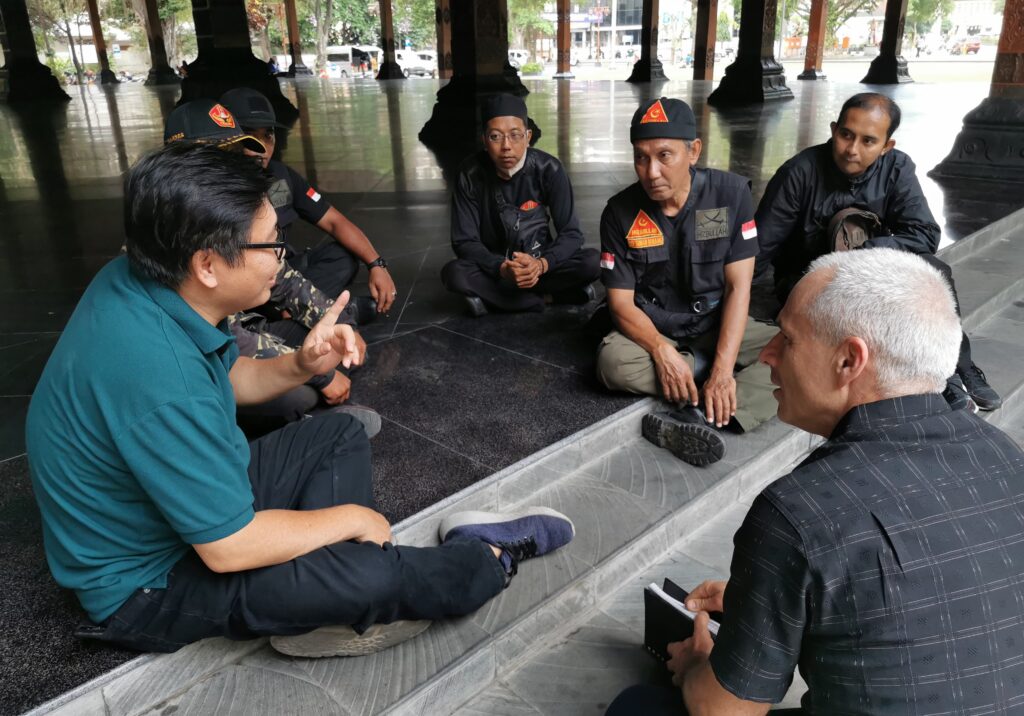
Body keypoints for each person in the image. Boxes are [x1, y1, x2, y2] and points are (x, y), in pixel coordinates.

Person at [25, 144, 576, 658]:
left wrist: (300, 367)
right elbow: (229, 548)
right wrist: (352, 518)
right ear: (207, 265)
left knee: (338, 433)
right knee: (375, 573)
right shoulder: (158, 375)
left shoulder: (141, 276)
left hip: (180, 510)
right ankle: (483, 558)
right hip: (148, 582)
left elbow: (230, 378)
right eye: (270, 245)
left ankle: (321, 607)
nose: (282, 260)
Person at [606, 249, 1024, 715]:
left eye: (787, 339)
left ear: (849, 360)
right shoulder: (1002, 454)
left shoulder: (797, 512)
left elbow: (720, 710)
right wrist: (765, 603)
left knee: (639, 706)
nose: (767, 354)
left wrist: (698, 664)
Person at [755, 92, 1001, 412]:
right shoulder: (799, 172)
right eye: (846, 135)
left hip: (874, 272)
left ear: (887, 146)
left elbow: (925, 233)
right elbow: (757, 250)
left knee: (934, 271)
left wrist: (867, 254)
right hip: (814, 282)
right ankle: (943, 382)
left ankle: (957, 366)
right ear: (834, 129)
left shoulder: (896, 168)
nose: (852, 149)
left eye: (868, 141)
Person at [596, 97, 777, 467]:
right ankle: (708, 391)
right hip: (653, 329)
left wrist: (724, 371)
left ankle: (697, 406)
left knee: (795, 354)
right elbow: (620, 304)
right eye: (641, 158)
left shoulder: (729, 195)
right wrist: (662, 352)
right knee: (613, 365)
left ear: (693, 151)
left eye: (665, 156)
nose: (651, 172)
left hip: (714, 321)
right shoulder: (619, 212)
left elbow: (738, 287)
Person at [162, 99, 361, 426]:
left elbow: (284, 277)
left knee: (321, 338)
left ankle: (349, 315)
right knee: (297, 394)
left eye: (236, 160)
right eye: (218, 163)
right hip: (212, 357)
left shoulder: (235, 214)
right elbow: (227, 338)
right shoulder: (172, 241)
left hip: (240, 331)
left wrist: (333, 328)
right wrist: (318, 376)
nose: (235, 172)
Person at [220, 87, 397, 322]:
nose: (260, 148)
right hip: (242, 281)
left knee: (342, 256)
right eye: (249, 136)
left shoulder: (281, 177)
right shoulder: (213, 189)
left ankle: (295, 311)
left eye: (268, 136)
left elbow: (334, 222)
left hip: (283, 276)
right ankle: (332, 312)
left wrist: (377, 264)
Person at [442, 94, 600, 316]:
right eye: (496, 136)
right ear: (484, 140)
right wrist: (503, 267)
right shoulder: (470, 173)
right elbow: (464, 241)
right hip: (495, 268)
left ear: (528, 137)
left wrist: (542, 264)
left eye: (515, 135)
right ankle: (546, 298)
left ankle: (502, 301)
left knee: (592, 261)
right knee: (454, 274)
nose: (506, 146)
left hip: (540, 265)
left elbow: (572, 234)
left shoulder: (549, 169)